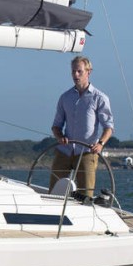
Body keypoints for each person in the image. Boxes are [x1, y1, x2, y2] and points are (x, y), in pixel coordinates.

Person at [49, 56, 114, 198]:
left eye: (79, 71)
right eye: (73, 72)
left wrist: (101, 144)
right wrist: (60, 137)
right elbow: (56, 126)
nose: (75, 75)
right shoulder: (65, 97)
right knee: (54, 192)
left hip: (87, 151)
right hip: (64, 151)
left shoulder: (99, 97)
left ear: (88, 72)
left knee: (86, 195)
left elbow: (109, 127)